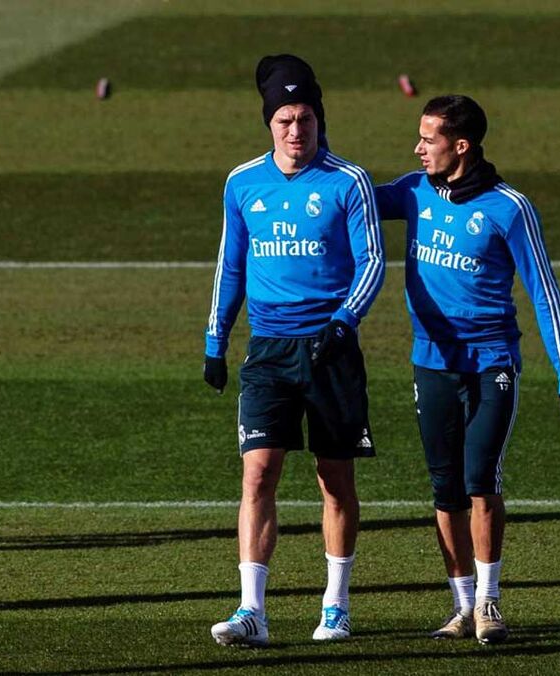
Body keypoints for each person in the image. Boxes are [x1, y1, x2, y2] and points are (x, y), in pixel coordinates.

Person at [375, 95, 560, 644]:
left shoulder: (509, 208)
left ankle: (489, 603)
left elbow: (544, 292)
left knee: (480, 480)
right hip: (431, 363)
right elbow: (351, 198)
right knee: (444, 489)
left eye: (428, 139)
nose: (418, 148)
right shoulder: (413, 191)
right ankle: (462, 606)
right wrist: (310, 148)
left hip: (492, 362)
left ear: (461, 146)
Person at [203, 54, 385, 646]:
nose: (295, 130)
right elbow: (231, 265)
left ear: (319, 119)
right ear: (269, 123)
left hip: (331, 350)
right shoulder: (241, 182)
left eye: (305, 118)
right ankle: (251, 611)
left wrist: (345, 320)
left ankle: (336, 605)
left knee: (335, 480)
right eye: (284, 120)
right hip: (268, 351)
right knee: (258, 473)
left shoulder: (348, 181)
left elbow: (373, 261)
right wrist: (215, 341)